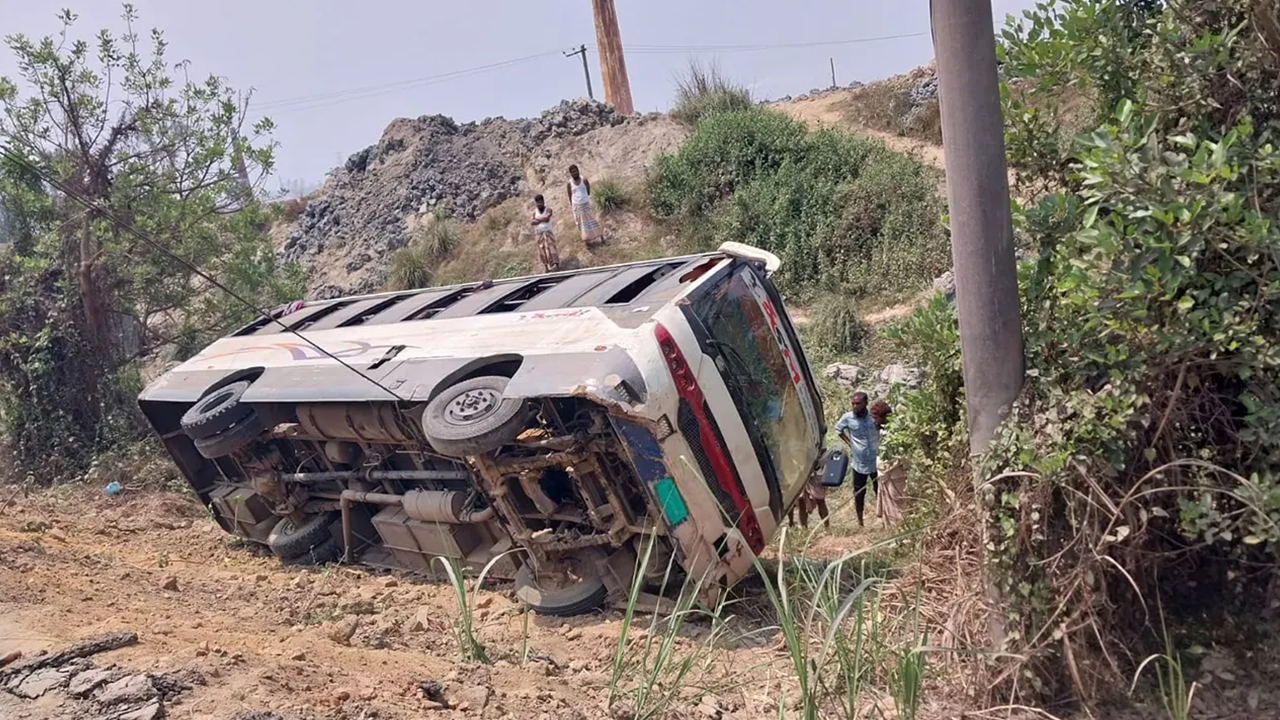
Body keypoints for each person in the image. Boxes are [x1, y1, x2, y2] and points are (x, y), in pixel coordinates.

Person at [834, 392, 881, 528]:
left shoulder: (874, 417)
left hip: (876, 461)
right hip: (859, 463)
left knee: (880, 490)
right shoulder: (848, 418)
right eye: (853, 404)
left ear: (866, 403)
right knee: (859, 493)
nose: (855, 406)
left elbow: (884, 426)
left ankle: (882, 516)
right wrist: (850, 443)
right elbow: (838, 429)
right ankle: (860, 523)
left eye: (858, 403)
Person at [870, 400, 905, 527]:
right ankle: (891, 529)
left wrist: (884, 468)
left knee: (897, 502)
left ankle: (901, 529)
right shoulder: (883, 432)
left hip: (895, 475)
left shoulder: (896, 433)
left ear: (884, 417)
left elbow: (900, 456)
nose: (873, 421)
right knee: (887, 504)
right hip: (884, 475)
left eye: (875, 418)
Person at [566, 164, 604, 246]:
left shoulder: (584, 180)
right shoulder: (569, 183)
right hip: (577, 206)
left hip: (585, 205)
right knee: (581, 224)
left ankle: (600, 238)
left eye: (575, 171)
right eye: (572, 172)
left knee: (592, 220)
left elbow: (588, 191)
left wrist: (584, 199)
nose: (574, 173)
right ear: (570, 173)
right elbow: (570, 196)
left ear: (578, 171)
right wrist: (574, 205)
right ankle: (587, 241)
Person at [530, 195, 559, 272]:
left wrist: (537, 220)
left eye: (540, 202)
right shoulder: (534, 212)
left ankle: (557, 265)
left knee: (552, 248)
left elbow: (547, 218)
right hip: (539, 233)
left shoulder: (548, 209)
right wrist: (541, 219)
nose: (539, 204)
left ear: (543, 202)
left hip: (548, 232)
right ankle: (546, 268)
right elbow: (532, 222)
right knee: (542, 251)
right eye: (538, 203)